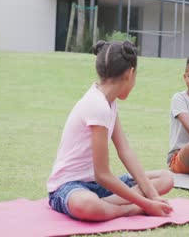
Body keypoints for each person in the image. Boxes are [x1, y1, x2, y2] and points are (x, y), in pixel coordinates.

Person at [47, 41, 173, 221]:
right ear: (130, 73)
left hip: (99, 187)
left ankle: (110, 203)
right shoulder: (97, 106)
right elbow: (103, 175)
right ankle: (128, 209)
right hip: (69, 187)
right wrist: (145, 205)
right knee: (88, 205)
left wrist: (153, 195)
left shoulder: (109, 102)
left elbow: (125, 150)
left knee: (165, 177)